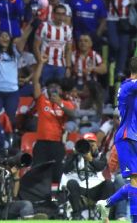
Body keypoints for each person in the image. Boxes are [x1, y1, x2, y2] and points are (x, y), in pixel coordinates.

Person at [31, 54, 75, 183]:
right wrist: (41, 64)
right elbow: (35, 81)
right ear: (47, 89)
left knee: (57, 174)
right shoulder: (42, 100)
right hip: (41, 142)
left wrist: (59, 103)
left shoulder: (66, 103)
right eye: (51, 86)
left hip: (57, 143)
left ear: (61, 90)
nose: (54, 89)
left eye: (57, 87)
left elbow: (73, 114)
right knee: (38, 173)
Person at [104, 56, 137, 223]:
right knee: (135, 180)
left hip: (134, 136)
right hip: (128, 136)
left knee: (135, 184)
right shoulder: (129, 86)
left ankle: (106, 204)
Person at [60, 133, 115, 220]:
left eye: (92, 144)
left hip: (95, 189)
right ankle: (77, 215)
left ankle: (105, 215)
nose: (89, 146)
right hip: (79, 189)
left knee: (109, 184)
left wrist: (91, 159)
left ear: (96, 145)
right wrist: (74, 155)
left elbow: (100, 166)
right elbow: (65, 169)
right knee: (71, 183)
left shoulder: (100, 156)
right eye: (86, 143)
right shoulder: (74, 156)